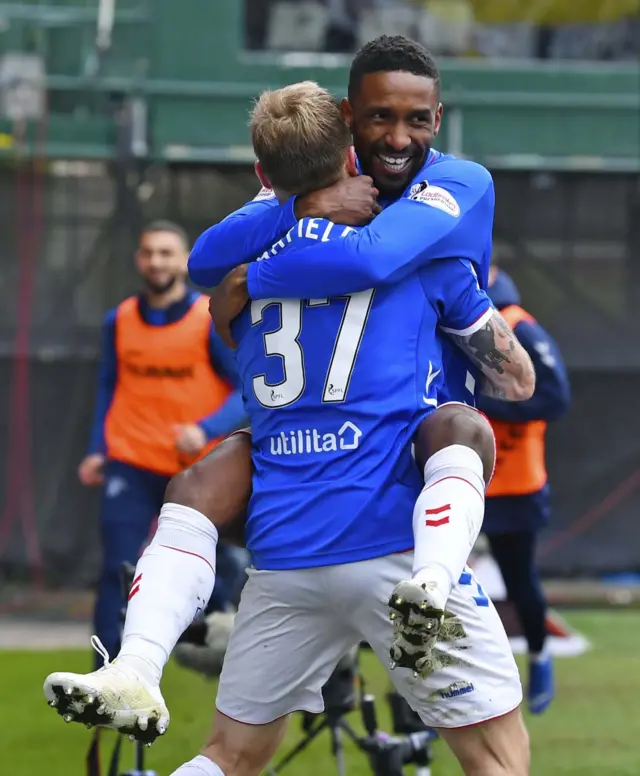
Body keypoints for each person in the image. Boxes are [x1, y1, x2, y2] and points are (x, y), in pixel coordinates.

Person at [45, 75, 533, 776]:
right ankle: (435, 580)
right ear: (351, 149)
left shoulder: (240, 281)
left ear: (259, 174)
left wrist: (281, 230)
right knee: (498, 761)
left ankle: (136, 662)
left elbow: (215, 283)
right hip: (393, 536)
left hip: (285, 557)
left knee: (228, 758)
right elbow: (515, 378)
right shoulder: (423, 252)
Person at [77, 220, 248, 662]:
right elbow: (108, 386)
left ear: (184, 260)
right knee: (117, 571)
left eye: (166, 253)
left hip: (192, 472)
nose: (156, 261)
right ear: (139, 259)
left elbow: (246, 388)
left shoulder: (206, 317)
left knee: (214, 576)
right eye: (149, 252)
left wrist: (206, 429)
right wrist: (99, 448)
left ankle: (219, 660)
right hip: (131, 461)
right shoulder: (120, 320)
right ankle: (104, 676)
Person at [477, 263, 570, 715]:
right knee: (433, 581)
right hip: (460, 476)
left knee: (520, 583)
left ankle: (539, 656)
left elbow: (555, 398)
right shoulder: (446, 321)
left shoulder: (518, 325)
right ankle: (441, 686)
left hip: (514, 481)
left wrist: (489, 402)